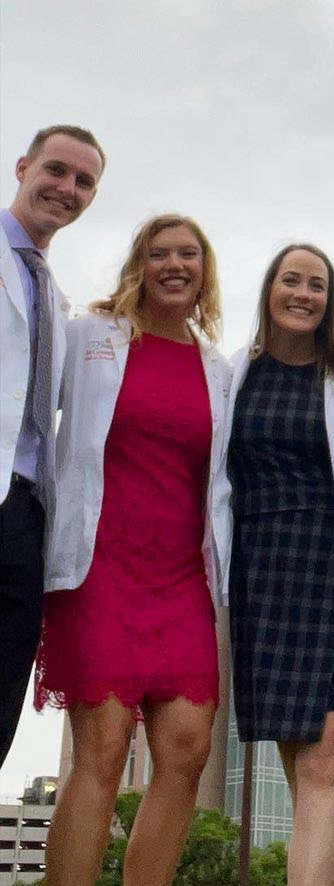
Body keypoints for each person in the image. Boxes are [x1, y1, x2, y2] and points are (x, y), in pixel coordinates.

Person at [38, 214, 231, 886]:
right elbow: (28, 410)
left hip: (182, 579)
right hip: (101, 569)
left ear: (204, 269)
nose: (174, 265)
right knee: (103, 750)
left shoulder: (217, 367)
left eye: (187, 254)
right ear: (138, 265)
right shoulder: (90, 334)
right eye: (158, 253)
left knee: (187, 750)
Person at [210, 244, 334, 886]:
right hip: (262, 577)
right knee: (305, 771)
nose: (303, 294)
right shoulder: (233, 374)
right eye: (292, 280)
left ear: (330, 299)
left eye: (317, 284)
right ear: (268, 290)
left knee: (322, 767)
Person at [1, 124, 105, 765]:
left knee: (6, 682)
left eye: (84, 181)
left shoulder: (54, 296)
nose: (67, 189)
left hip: (27, 516)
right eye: (57, 170)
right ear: (22, 167)